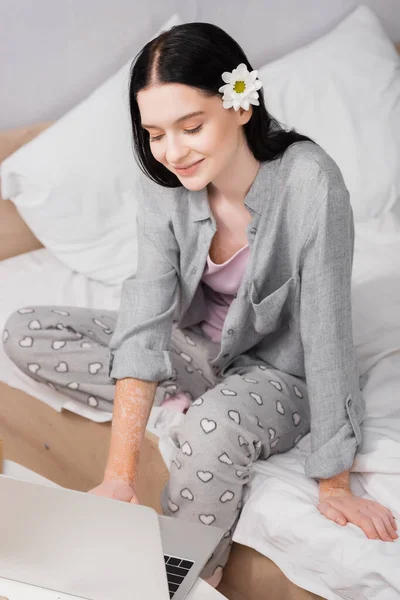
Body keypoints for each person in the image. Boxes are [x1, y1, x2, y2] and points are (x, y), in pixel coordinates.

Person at [2, 21, 397, 588]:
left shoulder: (312, 183)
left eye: (191, 127)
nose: (172, 152)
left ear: (240, 105)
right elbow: (145, 313)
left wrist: (335, 482)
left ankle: (173, 585)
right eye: (155, 134)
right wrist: (120, 475)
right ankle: (181, 401)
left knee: (211, 430)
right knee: (26, 327)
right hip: (195, 348)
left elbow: (328, 333)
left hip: (281, 373)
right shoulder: (163, 180)